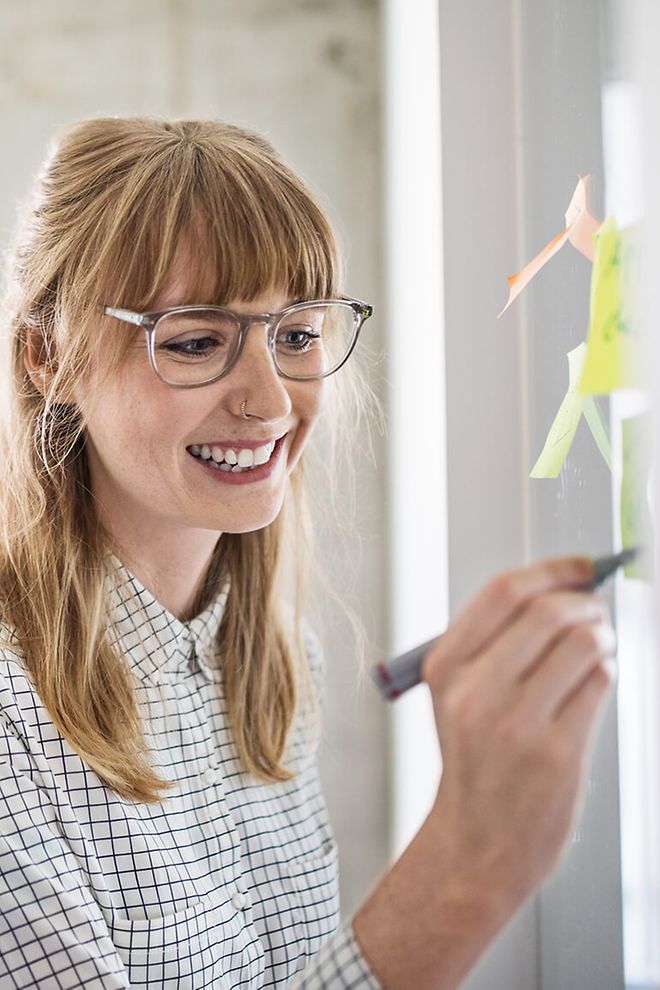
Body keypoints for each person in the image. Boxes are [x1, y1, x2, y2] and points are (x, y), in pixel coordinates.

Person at [0, 116, 616, 990]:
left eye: (295, 336)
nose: (271, 402)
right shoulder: (10, 723)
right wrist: (467, 870)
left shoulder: (281, 671)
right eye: (195, 341)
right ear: (45, 354)